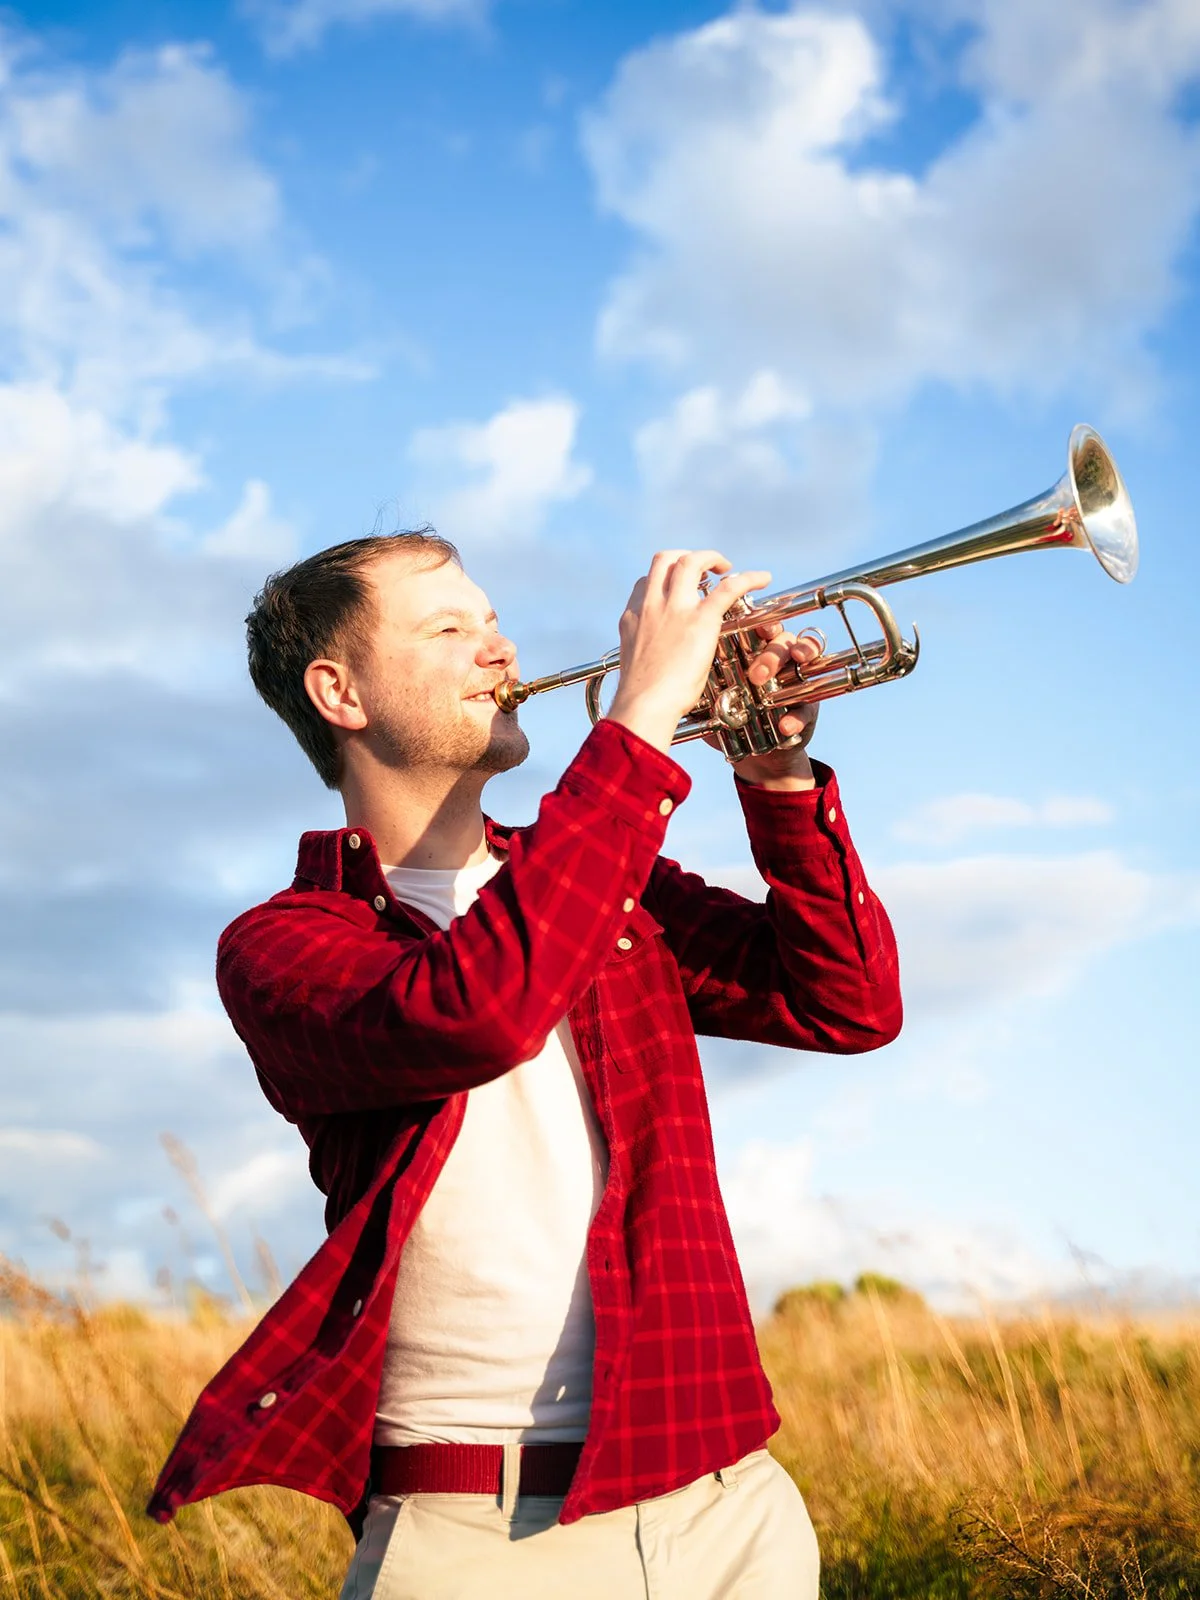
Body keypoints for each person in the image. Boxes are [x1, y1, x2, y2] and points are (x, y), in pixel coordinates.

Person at [148, 531, 902, 1599]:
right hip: (475, 1539)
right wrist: (641, 718)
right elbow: (479, 1009)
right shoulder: (284, 947)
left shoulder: (609, 885)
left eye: (492, 618)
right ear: (339, 691)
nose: (496, 647)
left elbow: (847, 1001)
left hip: (731, 1510)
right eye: (448, 628)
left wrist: (774, 773)